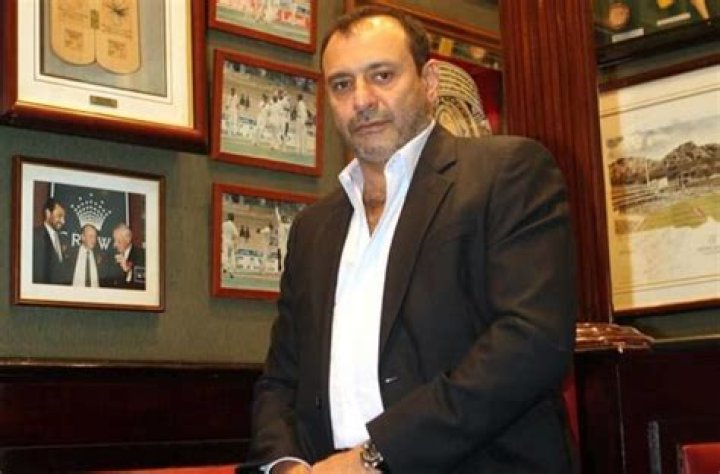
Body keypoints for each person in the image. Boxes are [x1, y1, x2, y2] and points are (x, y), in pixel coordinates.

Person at [246, 6, 577, 474]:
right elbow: (281, 378)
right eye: (342, 84)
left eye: (382, 75)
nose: (362, 100)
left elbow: (529, 343)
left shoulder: (508, 172)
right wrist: (284, 465)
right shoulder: (312, 228)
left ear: (429, 81)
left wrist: (373, 457)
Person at [32, 197, 70, 284]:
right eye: (59, 216)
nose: (63, 221)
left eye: (64, 217)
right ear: (48, 213)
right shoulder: (36, 236)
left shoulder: (63, 240)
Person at [106, 223, 145, 290]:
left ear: (128, 239)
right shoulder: (111, 256)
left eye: (118, 241)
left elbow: (141, 284)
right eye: (114, 240)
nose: (114, 244)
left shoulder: (141, 255)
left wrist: (128, 271)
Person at [222, 212, 241, 278]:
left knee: (225, 255)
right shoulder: (233, 225)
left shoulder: (224, 224)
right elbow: (236, 235)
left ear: (228, 217)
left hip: (224, 241)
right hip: (230, 242)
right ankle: (231, 271)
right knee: (231, 257)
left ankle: (225, 268)